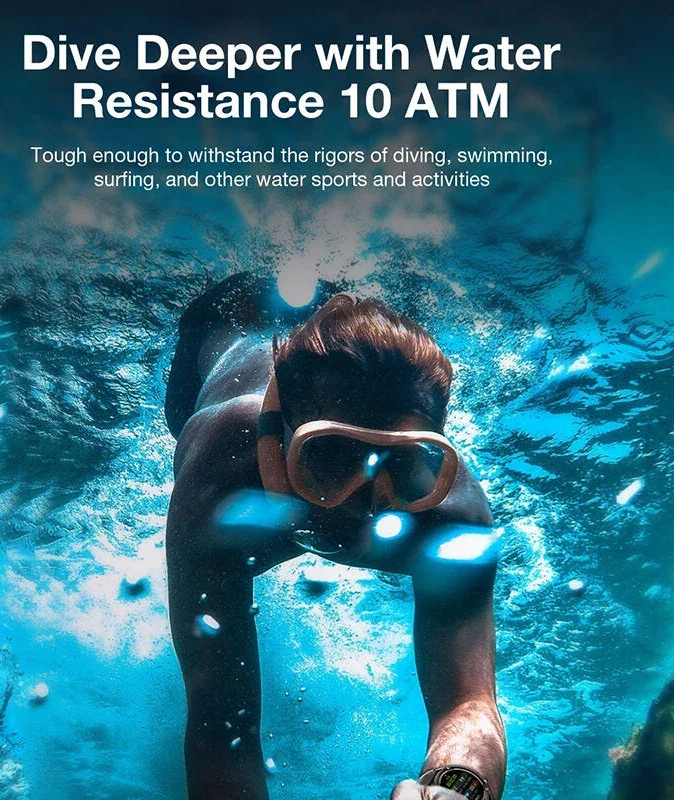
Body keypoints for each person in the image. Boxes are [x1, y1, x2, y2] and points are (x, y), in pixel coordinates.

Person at [165, 272, 506, 800]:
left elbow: (470, 706)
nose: (360, 504)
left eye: (399, 462)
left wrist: (456, 788)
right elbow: (217, 722)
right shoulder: (218, 475)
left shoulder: (452, 515)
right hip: (220, 323)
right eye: (327, 456)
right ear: (273, 438)